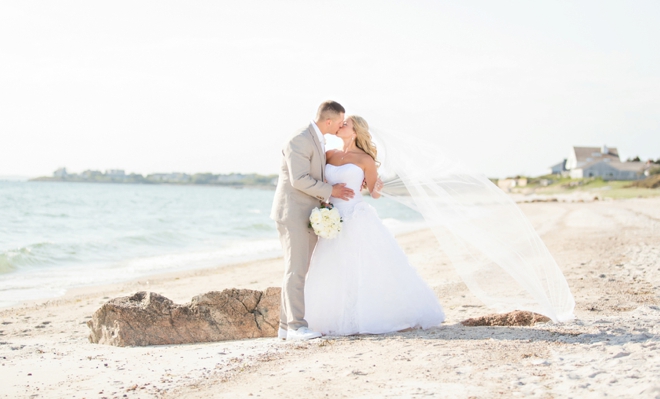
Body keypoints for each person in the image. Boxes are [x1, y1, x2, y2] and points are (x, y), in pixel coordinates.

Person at [304, 116, 445, 335]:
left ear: (356, 131)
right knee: (333, 265)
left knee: (364, 264)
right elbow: (320, 180)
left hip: (355, 215)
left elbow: (374, 194)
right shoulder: (329, 154)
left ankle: (368, 317)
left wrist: (377, 186)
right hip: (332, 215)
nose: (340, 126)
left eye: (345, 124)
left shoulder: (365, 159)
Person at [270, 101, 355, 341]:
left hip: (306, 213)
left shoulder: (318, 139)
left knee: (299, 270)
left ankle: (286, 327)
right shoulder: (300, 139)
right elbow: (299, 180)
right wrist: (331, 191)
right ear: (329, 121)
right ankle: (296, 326)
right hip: (293, 213)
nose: (342, 126)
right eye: (340, 121)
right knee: (296, 270)